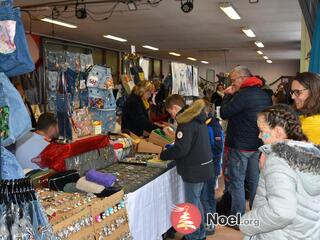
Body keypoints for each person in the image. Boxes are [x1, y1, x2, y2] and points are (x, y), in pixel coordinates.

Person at [240, 104, 320, 240]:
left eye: (261, 130)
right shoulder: (310, 156)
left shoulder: (278, 160)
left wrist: (246, 223)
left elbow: (282, 212)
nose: (259, 136)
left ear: (277, 132)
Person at [220, 66, 272, 222]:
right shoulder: (264, 94)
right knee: (254, 180)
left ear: (243, 78)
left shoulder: (241, 95)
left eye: (233, 79)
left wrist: (227, 96)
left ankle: (237, 219)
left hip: (239, 146)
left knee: (237, 182)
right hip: (256, 144)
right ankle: (256, 214)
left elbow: (224, 113)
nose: (232, 83)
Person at [160, 95, 213, 240]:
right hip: (202, 167)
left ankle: (194, 236)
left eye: (171, 112)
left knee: (191, 206)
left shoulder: (186, 122)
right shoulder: (195, 117)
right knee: (196, 203)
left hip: (194, 170)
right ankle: (200, 234)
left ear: (176, 108)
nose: (171, 115)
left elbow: (181, 149)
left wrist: (164, 154)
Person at [201, 100, 224, 235]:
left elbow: (217, 148)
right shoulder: (206, 124)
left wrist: (204, 156)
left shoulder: (213, 126)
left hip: (210, 167)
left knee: (208, 196)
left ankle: (210, 224)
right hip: (207, 166)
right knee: (206, 196)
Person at [291, 72, 320, 144]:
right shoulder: (305, 116)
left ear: (313, 91)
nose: (292, 97)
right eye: (293, 92)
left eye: (297, 92)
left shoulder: (313, 123)